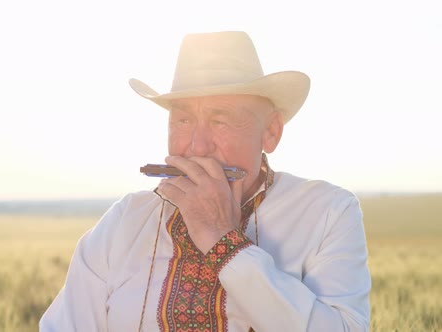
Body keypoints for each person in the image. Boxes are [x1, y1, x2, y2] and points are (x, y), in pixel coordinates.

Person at [39, 31, 370, 331]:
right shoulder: (124, 221)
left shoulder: (328, 212)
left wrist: (225, 244)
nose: (197, 147)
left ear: (270, 132)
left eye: (221, 121)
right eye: (182, 119)